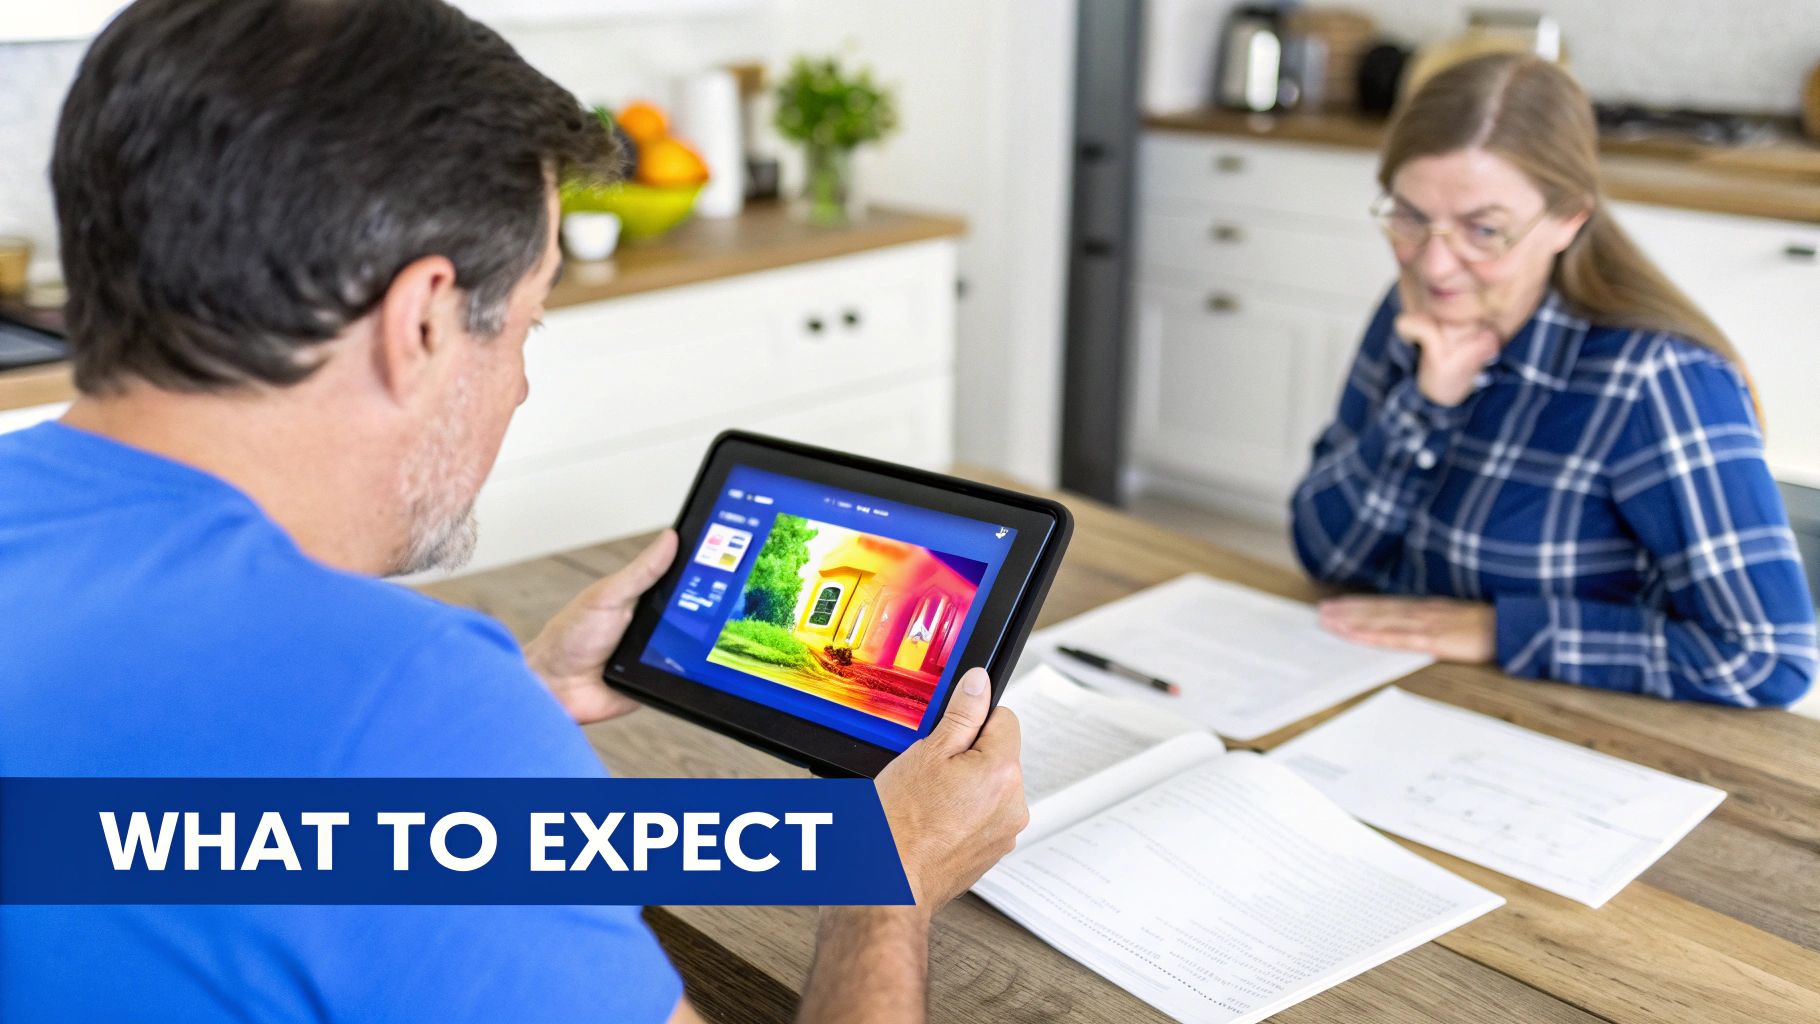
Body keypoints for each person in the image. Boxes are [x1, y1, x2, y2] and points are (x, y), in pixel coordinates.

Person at [0, 1, 1027, 1020]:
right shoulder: (406, 710)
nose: (521, 384)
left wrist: (519, 701)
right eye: (526, 323)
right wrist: (882, 876)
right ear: (423, 320)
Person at [1292, 53, 1816, 708]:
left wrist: (1503, 629)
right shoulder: (1411, 312)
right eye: (1408, 217)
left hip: (1568, 727)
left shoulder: (1656, 379)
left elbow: (1770, 656)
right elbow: (1328, 557)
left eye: (1484, 229)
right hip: (1396, 692)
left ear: (1569, 219)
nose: (1435, 262)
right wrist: (1423, 406)